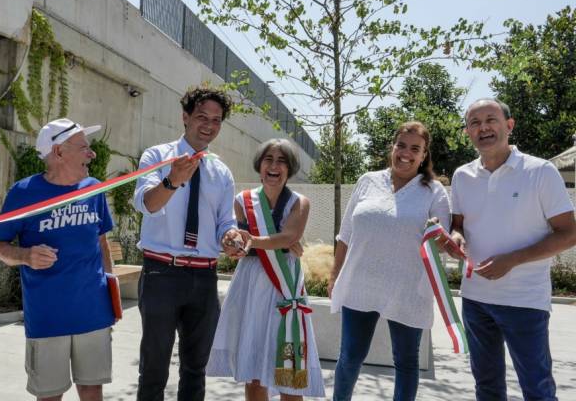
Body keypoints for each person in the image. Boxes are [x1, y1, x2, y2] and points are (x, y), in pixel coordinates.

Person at [445, 99, 576, 401]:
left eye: (491, 119)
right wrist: (456, 236)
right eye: (475, 123)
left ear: (509, 125)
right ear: (467, 132)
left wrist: (513, 260)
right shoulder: (462, 176)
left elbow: (569, 233)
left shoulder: (540, 172)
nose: (483, 127)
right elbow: (459, 224)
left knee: (537, 389)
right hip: (475, 299)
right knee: (487, 387)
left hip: (525, 301)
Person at [0, 118, 115, 401]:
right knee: (49, 396)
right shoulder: (23, 194)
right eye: (84, 147)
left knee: (93, 390)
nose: (91, 154)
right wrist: (25, 256)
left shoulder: (94, 188)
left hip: (93, 312)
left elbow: (101, 242)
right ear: (58, 152)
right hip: (47, 317)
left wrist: (113, 291)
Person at [133, 86, 246, 401]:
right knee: (154, 368)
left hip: (203, 279)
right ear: (185, 117)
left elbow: (226, 221)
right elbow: (147, 204)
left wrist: (230, 237)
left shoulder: (221, 172)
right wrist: (172, 180)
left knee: (196, 369)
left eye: (216, 120)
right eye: (201, 117)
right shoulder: (156, 156)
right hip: (161, 274)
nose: (209, 125)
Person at [328, 121, 451, 401]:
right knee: (349, 357)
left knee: (406, 362)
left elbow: (442, 244)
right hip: (360, 284)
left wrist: (437, 233)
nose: (406, 153)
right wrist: (335, 274)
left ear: (424, 155)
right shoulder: (367, 181)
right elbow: (345, 234)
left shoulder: (434, 191)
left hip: (408, 289)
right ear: (392, 147)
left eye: (415, 149)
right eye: (401, 145)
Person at [206, 139, 325, 400]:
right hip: (250, 287)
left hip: (285, 287)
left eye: (281, 160)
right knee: (254, 369)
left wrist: (252, 242)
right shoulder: (242, 200)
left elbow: (289, 236)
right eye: (268, 159)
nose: (274, 166)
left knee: (291, 369)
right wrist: (235, 243)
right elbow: (235, 241)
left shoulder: (299, 202)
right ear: (259, 166)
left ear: (290, 168)